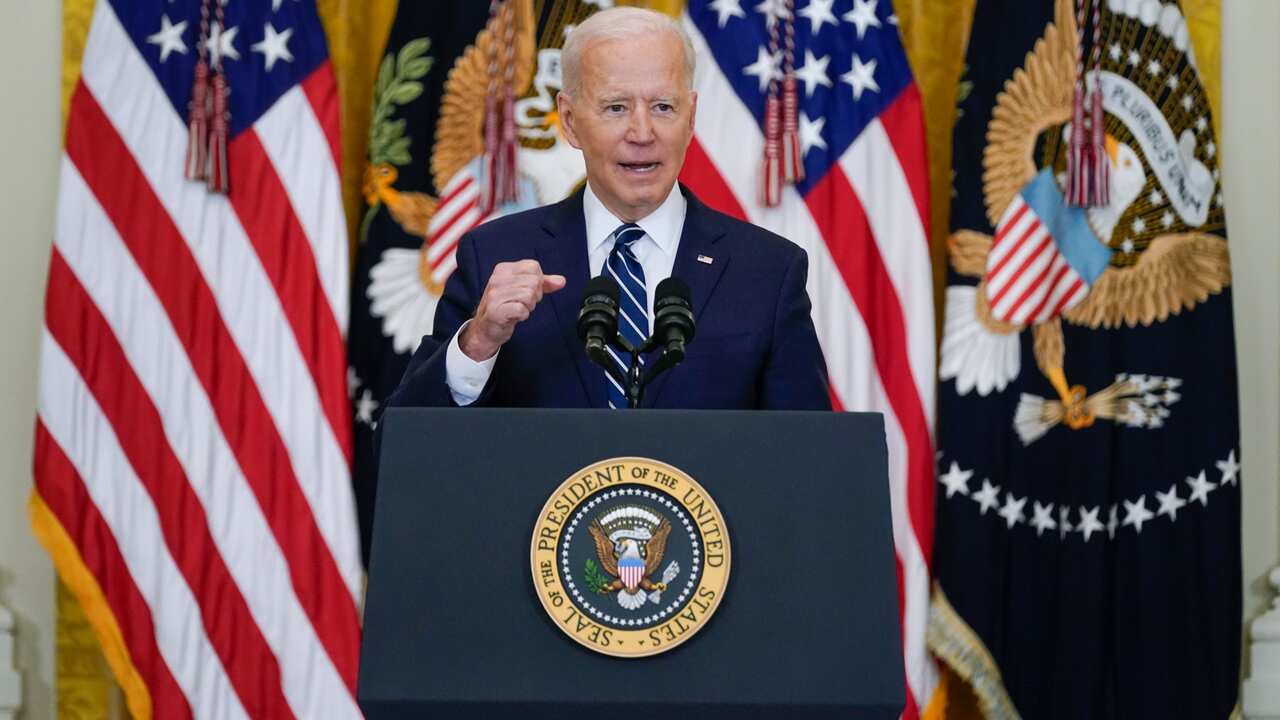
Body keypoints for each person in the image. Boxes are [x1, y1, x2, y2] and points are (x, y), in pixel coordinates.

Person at [385, 7, 829, 411]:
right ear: (571, 121)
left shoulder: (768, 271)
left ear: (691, 116)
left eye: (662, 107)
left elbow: (810, 461)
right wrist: (479, 343)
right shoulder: (494, 254)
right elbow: (404, 451)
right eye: (616, 107)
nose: (641, 132)